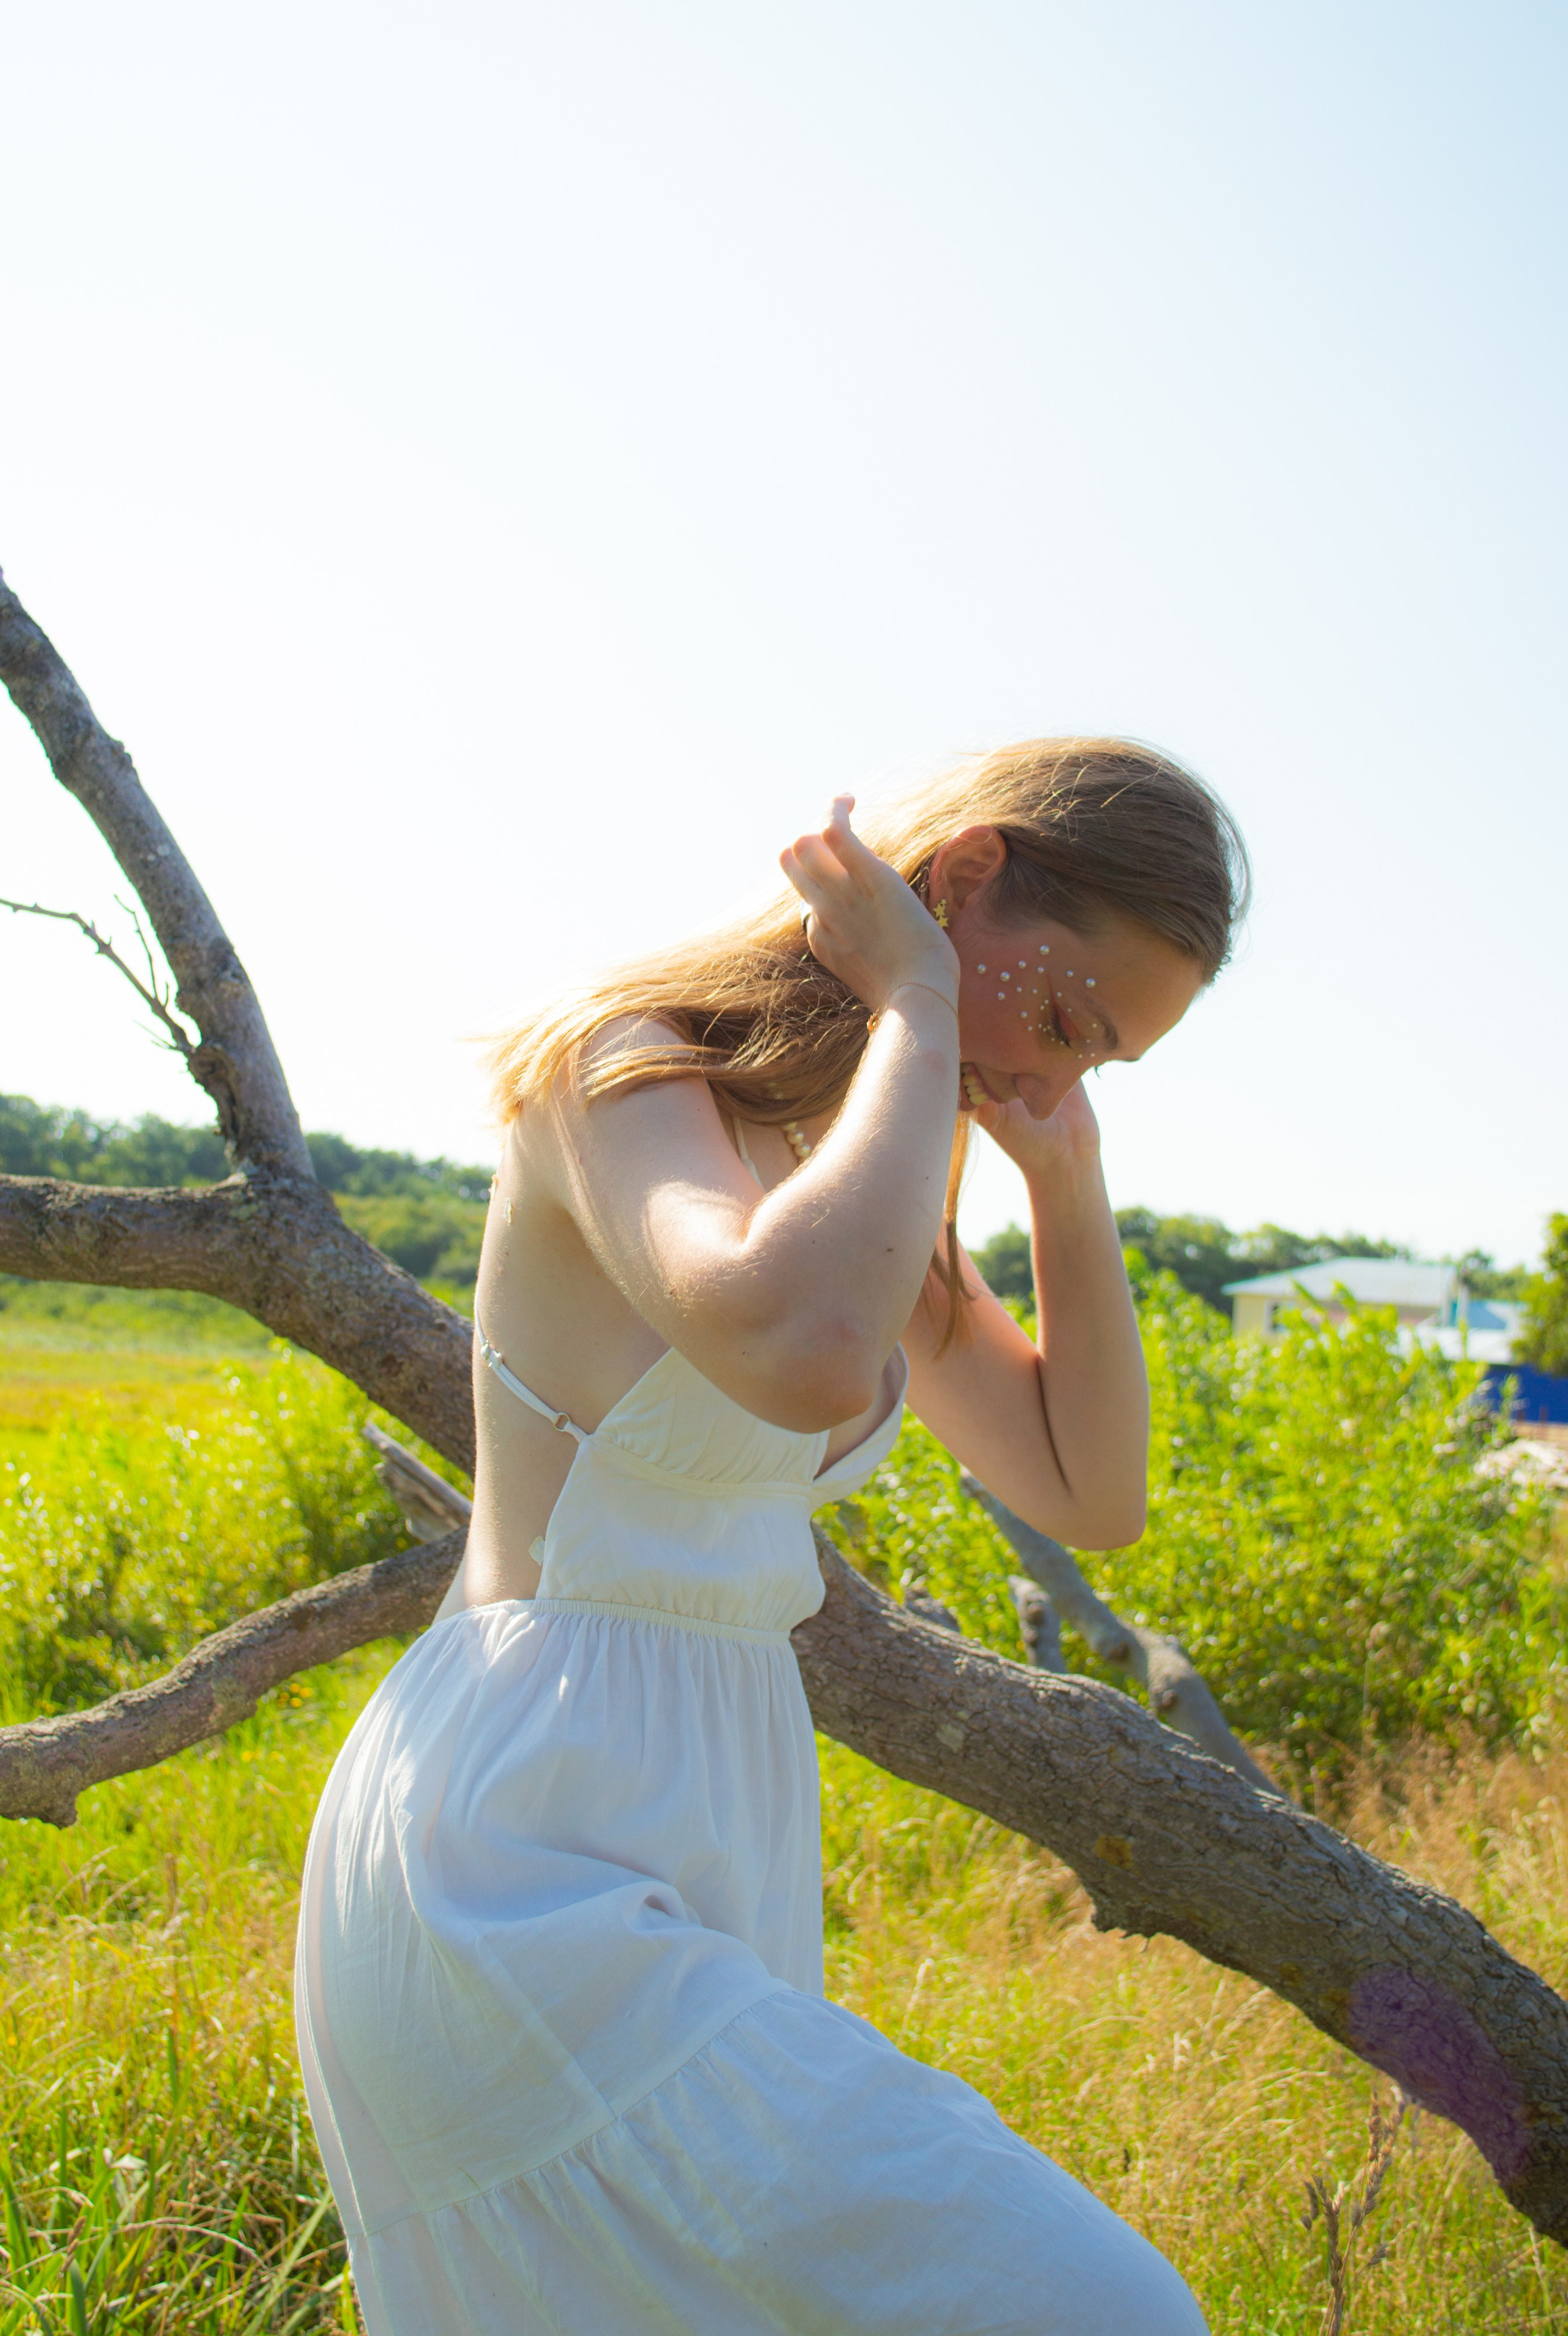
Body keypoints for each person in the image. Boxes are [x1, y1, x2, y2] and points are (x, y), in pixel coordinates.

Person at [295, 737, 1246, 2334]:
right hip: (514, 1846)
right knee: (1109, 2311)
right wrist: (921, 999)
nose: (1052, 1080)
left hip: (710, 1832)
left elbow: (1092, 1489)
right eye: (1068, 1023)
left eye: (1107, 1063)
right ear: (961, 881)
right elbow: (793, 1345)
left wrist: (1066, 1173)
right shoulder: (627, 1067)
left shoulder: (872, 1189)